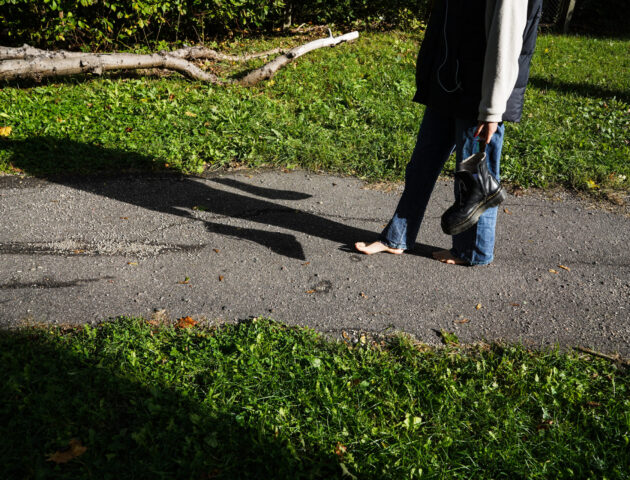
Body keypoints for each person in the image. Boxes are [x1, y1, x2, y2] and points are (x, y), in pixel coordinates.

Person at [355, 0, 542, 265]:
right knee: (421, 166)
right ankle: (397, 238)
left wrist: (491, 110)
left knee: (475, 182)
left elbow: (507, 38)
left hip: (480, 97)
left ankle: (473, 252)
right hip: (448, 85)